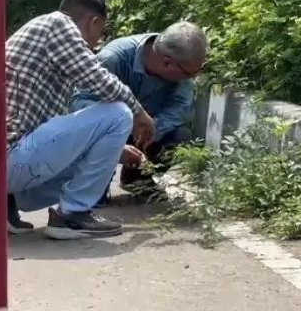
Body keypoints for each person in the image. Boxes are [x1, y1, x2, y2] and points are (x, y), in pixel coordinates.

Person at [0, 0, 155, 240]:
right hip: (8, 156)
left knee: (103, 131)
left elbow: (51, 129)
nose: (97, 42)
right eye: (101, 32)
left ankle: (3, 204)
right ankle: (72, 215)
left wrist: (113, 152)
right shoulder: (58, 24)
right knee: (119, 113)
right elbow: (95, 77)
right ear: (94, 22)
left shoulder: (39, 34)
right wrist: (138, 112)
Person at [71, 21, 208, 204]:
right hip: (107, 132)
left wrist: (151, 131)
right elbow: (79, 102)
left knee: (179, 136)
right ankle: (92, 185)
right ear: (167, 63)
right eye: (190, 75)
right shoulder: (113, 59)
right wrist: (116, 142)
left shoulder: (179, 62)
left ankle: (137, 179)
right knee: (91, 201)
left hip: (146, 131)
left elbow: (179, 108)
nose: (192, 79)